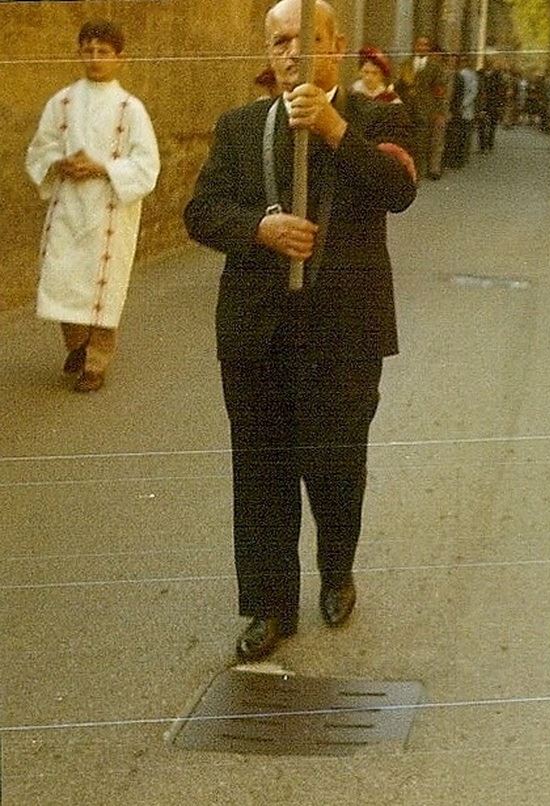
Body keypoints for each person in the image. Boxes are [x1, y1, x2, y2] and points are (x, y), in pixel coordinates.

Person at [183, 0, 417, 662]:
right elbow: (200, 211)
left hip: (344, 332)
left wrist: (339, 130)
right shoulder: (240, 126)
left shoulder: (379, 117)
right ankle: (267, 605)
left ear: (334, 45)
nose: (291, 55)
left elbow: (399, 191)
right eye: (280, 42)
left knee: (336, 464)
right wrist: (258, 228)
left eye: (304, 41)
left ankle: (336, 569)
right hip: (256, 331)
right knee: (260, 468)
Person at [25, 19, 160, 393]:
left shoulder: (130, 109)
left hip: (109, 209)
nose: (96, 58)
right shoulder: (63, 101)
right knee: (65, 279)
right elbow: (42, 146)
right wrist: (59, 162)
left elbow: (147, 164)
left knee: (103, 284)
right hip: (69, 204)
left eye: (104, 52)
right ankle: (77, 344)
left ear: (120, 58)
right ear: (80, 53)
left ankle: (96, 363)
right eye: (89, 50)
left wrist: (102, 167)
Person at [394, 36, 448, 179]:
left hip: (426, 108)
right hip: (407, 108)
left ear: (428, 48)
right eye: (419, 45)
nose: (422, 48)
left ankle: (421, 171)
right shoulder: (406, 64)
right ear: (415, 46)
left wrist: (439, 111)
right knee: (409, 139)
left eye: (425, 45)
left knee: (423, 141)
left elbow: (440, 91)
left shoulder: (435, 67)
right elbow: (398, 86)